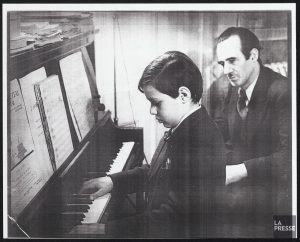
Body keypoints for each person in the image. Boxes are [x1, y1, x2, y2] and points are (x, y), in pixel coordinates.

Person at [79, 51, 226, 238]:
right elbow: (160, 173)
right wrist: (113, 181)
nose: (151, 110)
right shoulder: (187, 127)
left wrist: (107, 231)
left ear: (183, 95)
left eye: (156, 102)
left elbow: (174, 218)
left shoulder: (200, 141)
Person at [215, 27, 291, 236]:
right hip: (243, 197)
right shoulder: (234, 88)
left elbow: (290, 157)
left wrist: (237, 171)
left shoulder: (282, 91)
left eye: (232, 60)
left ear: (253, 55)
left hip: (278, 203)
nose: (226, 70)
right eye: (222, 63)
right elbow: (223, 129)